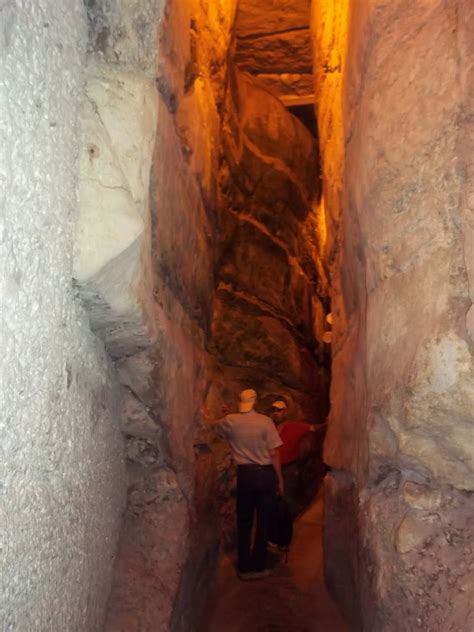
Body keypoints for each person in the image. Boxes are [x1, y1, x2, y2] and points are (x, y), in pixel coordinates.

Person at [206, 389, 284, 580]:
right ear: (255, 402)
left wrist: (224, 414)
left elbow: (216, 426)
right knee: (264, 520)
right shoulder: (265, 421)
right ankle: (258, 566)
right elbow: (274, 453)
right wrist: (280, 479)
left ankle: (243, 567)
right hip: (264, 475)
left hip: (245, 476)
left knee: (244, 521)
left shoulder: (231, 421)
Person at [270, 400, 326, 515]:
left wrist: (331, 421)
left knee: (287, 501)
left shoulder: (294, 426)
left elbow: (315, 428)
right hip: (272, 470)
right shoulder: (269, 428)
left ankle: (286, 530)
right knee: (272, 502)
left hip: (289, 469)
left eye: (279, 410)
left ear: (285, 412)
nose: (276, 413)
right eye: (274, 410)